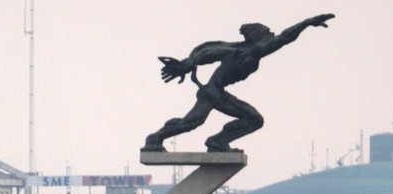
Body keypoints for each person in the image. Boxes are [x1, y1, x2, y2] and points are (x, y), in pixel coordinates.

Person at [142, 14, 335, 153]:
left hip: (216, 91)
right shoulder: (252, 50)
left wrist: (187, 64)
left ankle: (217, 141)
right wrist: (307, 23)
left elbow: (204, 52)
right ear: (259, 35)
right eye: (267, 32)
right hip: (213, 92)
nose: (272, 35)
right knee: (195, 122)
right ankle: (156, 139)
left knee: (243, 120)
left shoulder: (238, 49)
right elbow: (284, 38)